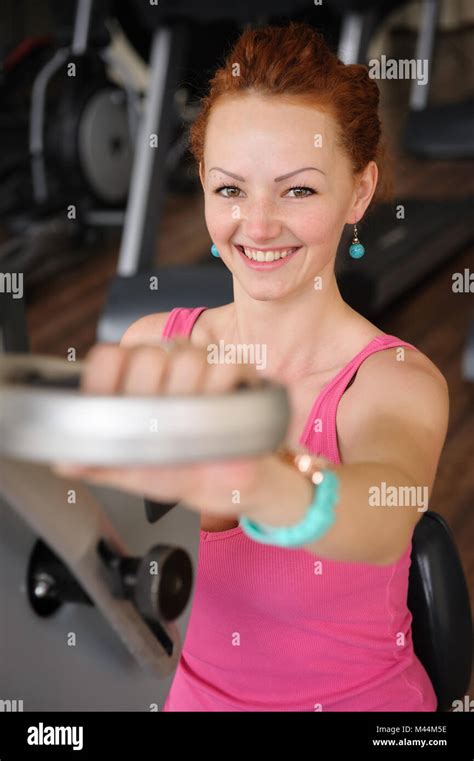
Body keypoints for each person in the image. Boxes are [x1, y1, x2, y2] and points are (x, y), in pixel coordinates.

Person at [54, 22, 449, 711]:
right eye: (231, 189)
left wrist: (261, 479)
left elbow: (385, 509)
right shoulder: (153, 348)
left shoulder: (393, 382)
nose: (258, 225)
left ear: (359, 193)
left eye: (297, 191)